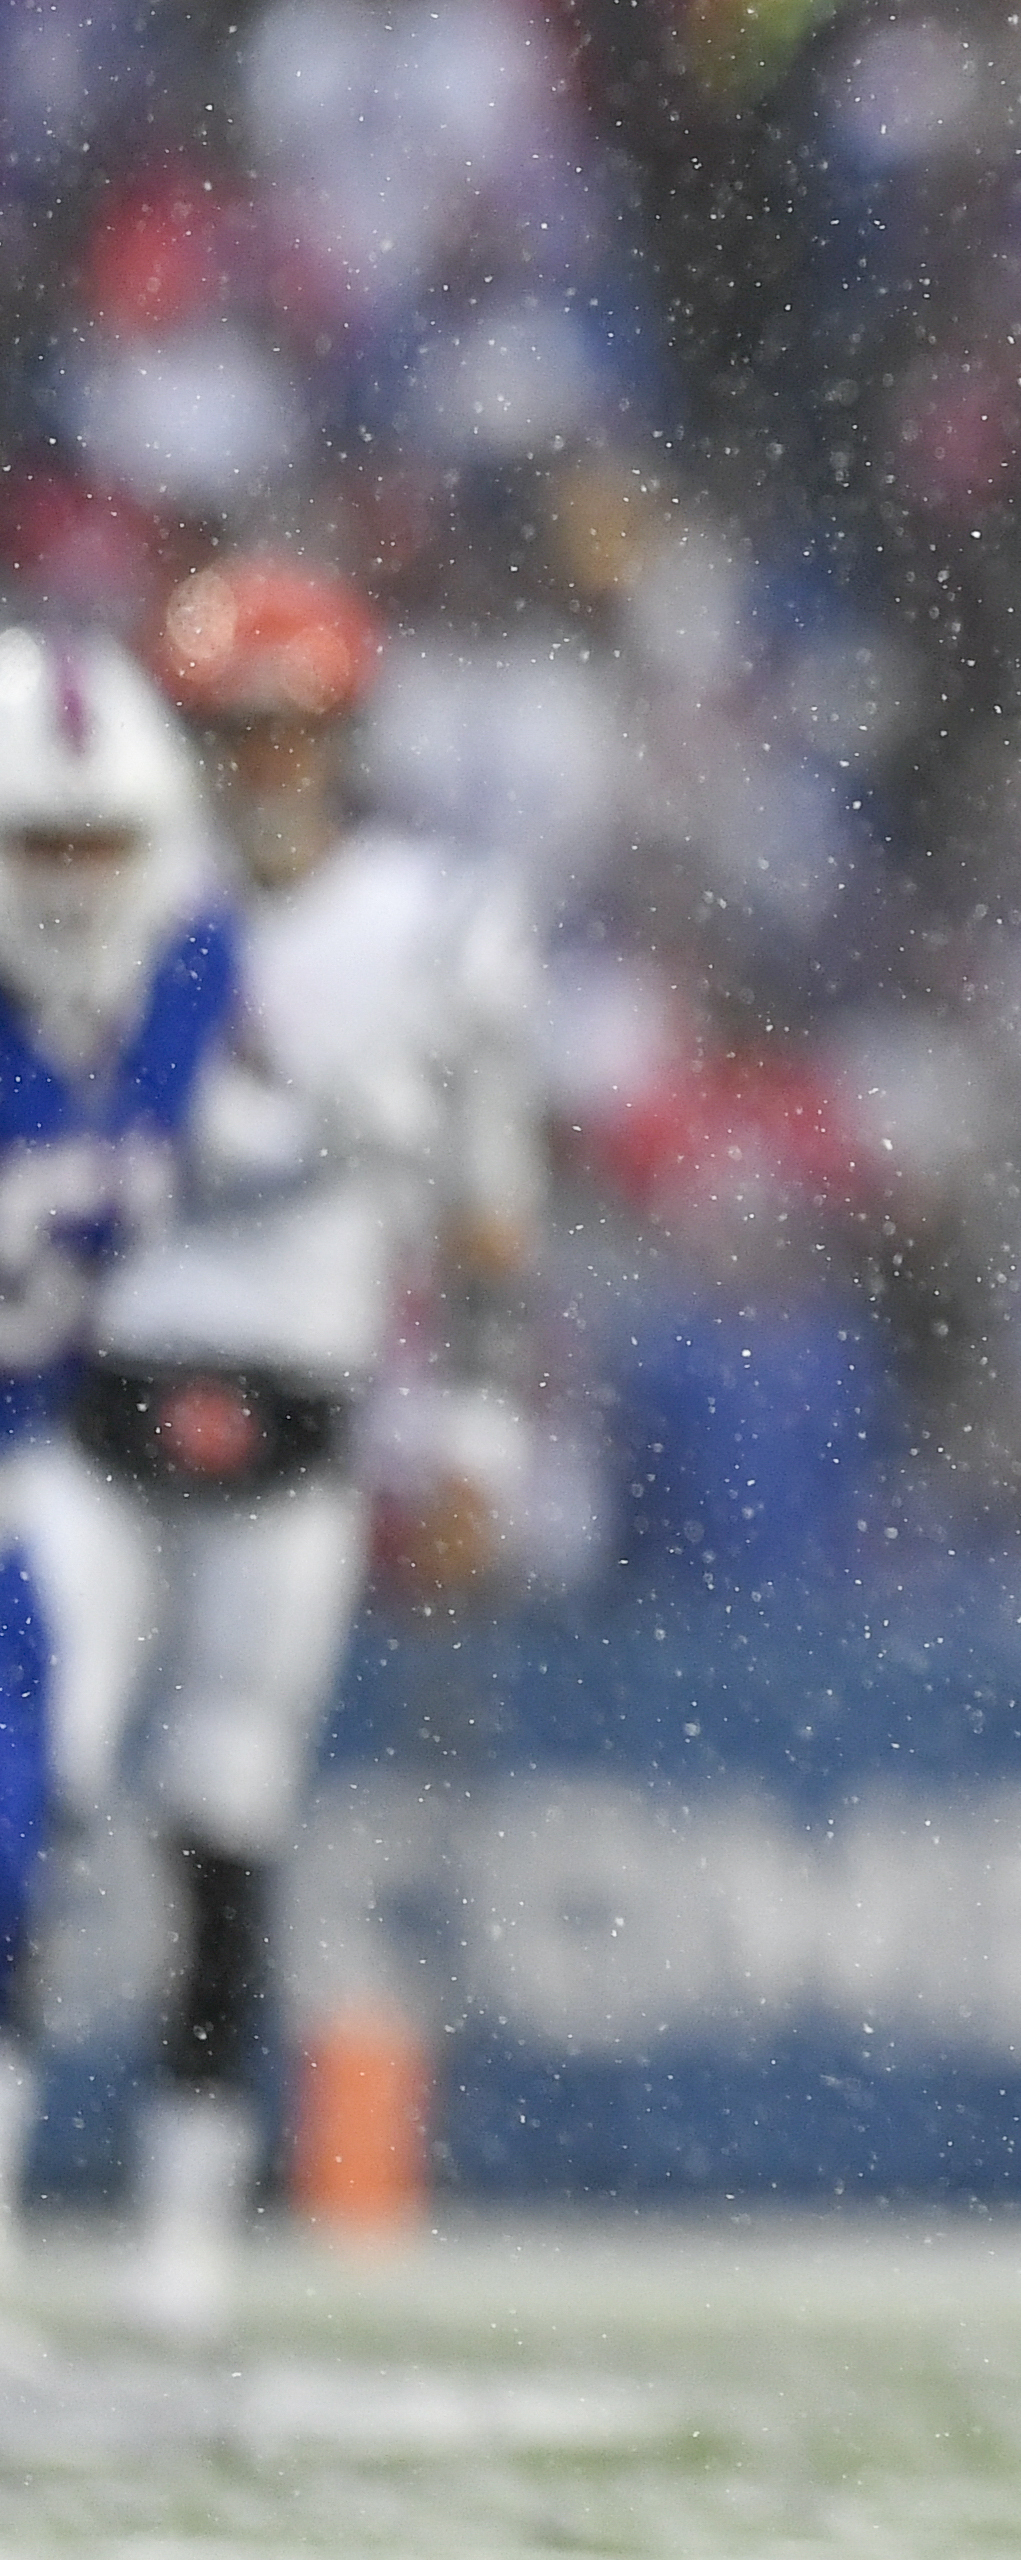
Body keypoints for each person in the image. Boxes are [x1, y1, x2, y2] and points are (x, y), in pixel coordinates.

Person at [5, 560, 539, 2348]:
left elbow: (488, 1210)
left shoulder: (441, 917)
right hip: (100, 1380)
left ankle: (185, 2228)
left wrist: (473, 1415)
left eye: (290, 727)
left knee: (223, 1821)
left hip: (297, 1407)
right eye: (232, 729)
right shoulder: (116, 887)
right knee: (37, 1790)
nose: (261, 764)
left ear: (346, 729)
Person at [0, 632, 250, 2338]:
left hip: (21, 1457)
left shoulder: (195, 970)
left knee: (17, 1829)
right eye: (42, 843)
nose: (78, 880)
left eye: (103, 840)